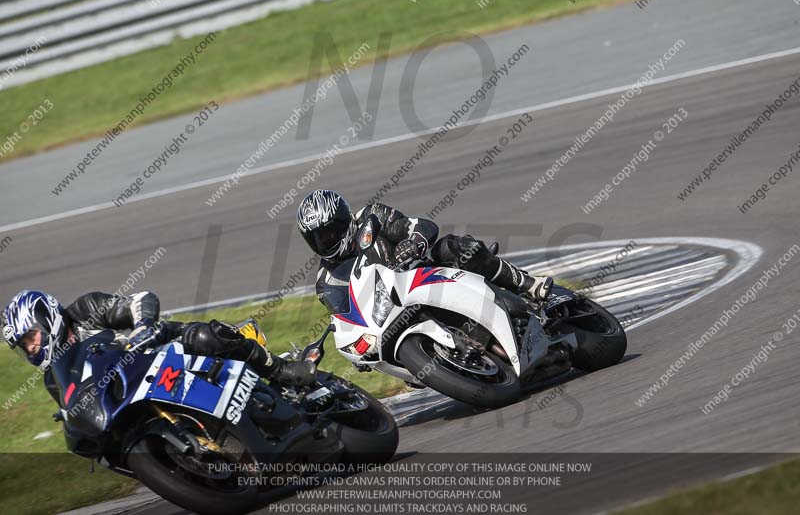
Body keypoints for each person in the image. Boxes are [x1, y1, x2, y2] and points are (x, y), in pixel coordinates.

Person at [2, 290, 317, 404]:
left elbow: (140, 301)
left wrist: (143, 326)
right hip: (132, 397)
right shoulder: (52, 379)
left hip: (161, 351)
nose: (31, 349)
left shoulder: (85, 310)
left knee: (206, 337)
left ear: (46, 319)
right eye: (23, 347)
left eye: (30, 338)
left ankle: (282, 370)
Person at [296, 189, 553, 301]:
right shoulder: (326, 281)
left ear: (343, 221)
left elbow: (419, 225)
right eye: (318, 238)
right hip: (390, 311)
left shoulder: (370, 216)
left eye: (329, 234)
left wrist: (415, 242)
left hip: (425, 271)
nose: (326, 242)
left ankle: (527, 284)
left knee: (458, 248)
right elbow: (344, 317)